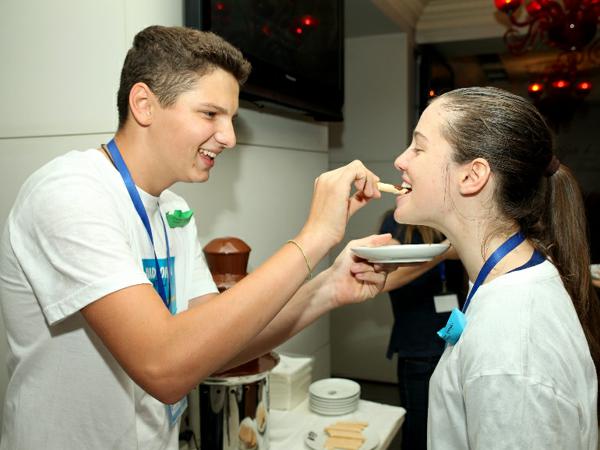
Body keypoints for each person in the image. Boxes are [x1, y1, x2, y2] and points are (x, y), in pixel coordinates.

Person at [0, 25, 392, 450]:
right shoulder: (69, 193)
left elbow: (218, 343)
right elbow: (164, 365)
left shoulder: (174, 211)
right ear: (144, 104)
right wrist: (314, 237)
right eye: (210, 114)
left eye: (231, 119)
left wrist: (329, 287)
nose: (229, 137)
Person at [391, 86, 599, 449]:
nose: (400, 160)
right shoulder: (506, 279)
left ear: (472, 176)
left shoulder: (512, 349)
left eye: (419, 148)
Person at [378, 214, 466, 450]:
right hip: (418, 348)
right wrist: (441, 254)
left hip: (457, 345)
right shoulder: (396, 224)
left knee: (452, 429)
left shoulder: (450, 220)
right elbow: (386, 280)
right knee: (418, 431)